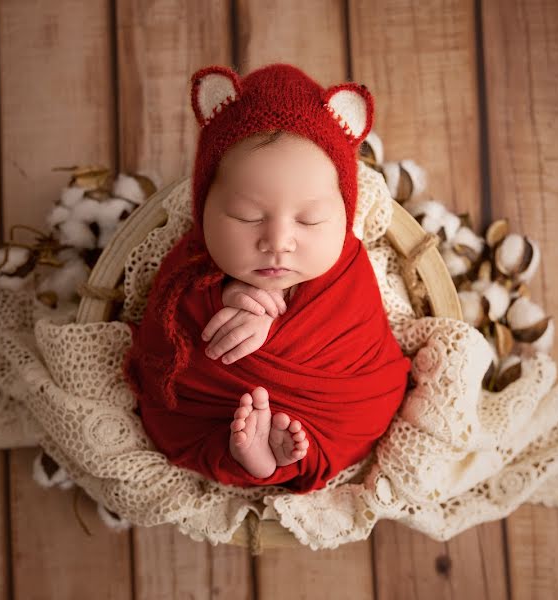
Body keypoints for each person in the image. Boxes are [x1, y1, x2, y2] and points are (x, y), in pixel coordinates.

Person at [122, 63, 411, 493]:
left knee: (368, 407)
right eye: (247, 216)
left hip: (336, 416)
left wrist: (275, 327)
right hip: (212, 415)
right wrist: (217, 299)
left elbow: (362, 344)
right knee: (174, 411)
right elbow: (162, 344)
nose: (278, 242)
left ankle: (282, 458)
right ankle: (248, 458)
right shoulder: (190, 265)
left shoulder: (349, 269)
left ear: (344, 215)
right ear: (203, 209)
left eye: (310, 220)